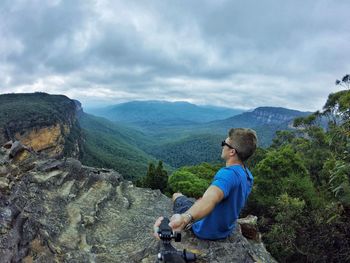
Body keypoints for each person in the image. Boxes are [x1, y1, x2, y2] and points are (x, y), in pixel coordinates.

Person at [154, 128, 257, 240]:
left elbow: (211, 199)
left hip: (205, 230)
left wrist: (184, 219)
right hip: (225, 230)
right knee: (195, 201)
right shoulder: (247, 175)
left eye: (224, 143)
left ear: (232, 152)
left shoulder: (227, 175)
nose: (222, 146)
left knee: (176, 196)